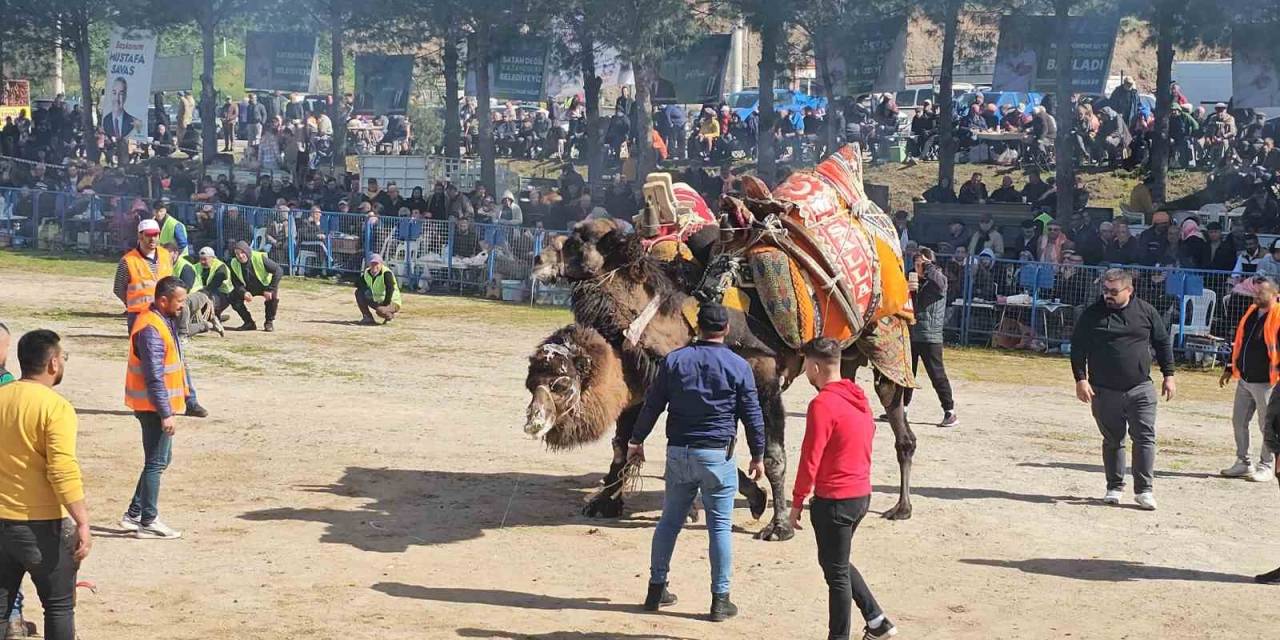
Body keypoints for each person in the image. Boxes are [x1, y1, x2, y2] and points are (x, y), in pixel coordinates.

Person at [628, 303, 765, 622]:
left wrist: (636, 440)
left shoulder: (675, 360)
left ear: (697, 328)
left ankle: (655, 588)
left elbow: (652, 406)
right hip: (718, 455)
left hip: (679, 452)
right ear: (726, 330)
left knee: (669, 523)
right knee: (719, 527)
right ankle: (720, 600)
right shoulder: (738, 365)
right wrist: (758, 455)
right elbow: (752, 415)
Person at [789, 338, 896, 640]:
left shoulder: (822, 404)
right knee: (836, 562)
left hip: (834, 500)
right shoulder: (858, 397)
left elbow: (810, 456)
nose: (805, 371)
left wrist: (796, 502)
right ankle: (877, 621)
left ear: (816, 366)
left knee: (835, 574)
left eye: (806, 365)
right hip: (861, 495)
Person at [0, 329, 92, 640]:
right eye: (63, 357)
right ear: (52, 363)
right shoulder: (55, 407)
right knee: (58, 607)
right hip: (39, 525)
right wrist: (82, 521)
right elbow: (62, 469)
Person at [1071, 269, 1176, 510]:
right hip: (1103, 389)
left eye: (1114, 291)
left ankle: (1144, 491)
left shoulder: (1146, 312)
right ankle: (1114, 487)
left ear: (1129, 290)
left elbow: (1162, 343)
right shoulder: (1092, 314)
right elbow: (1078, 348)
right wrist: (1081, 379)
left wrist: (1169, 375)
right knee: (1113, 439)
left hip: (1141, 387)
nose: (1108, 295)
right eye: (1105, 290)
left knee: (1145, 438)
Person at [122, 277, 190, 540]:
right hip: (153, 408)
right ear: (163, 300)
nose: (183, 306)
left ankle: (134, 513)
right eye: (180, 301)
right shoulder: (151, 328)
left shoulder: (160, 320)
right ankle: (148, 520)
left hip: (154, 405)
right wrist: (166, 413)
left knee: (160, 460)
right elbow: (154, 377)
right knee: (156, 462)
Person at [1218, 277, 1280, 482]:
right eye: (1255, 292)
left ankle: (1266, 465)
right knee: (1238, 421)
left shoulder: (1278, 316)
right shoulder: (1252, 312)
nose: (1255, 296)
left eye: (1261, 293)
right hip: (1245, 379)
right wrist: (1229, 367)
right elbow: (1240, 342)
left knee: (1267, 426)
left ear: (1274, 294)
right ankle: (1243, 462)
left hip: (1268, 381)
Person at [905, 247, 958, 427]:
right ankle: (901, 409)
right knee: (906, 374)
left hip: (930, 336)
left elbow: (940, 285)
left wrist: (928, 268)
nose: (917, 265)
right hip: (911, 333)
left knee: (937, 374)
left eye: (921, 262)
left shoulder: (938, 279)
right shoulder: (912, 278)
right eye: (915, 262)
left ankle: (949, 411)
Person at [114, 219, 174, 330]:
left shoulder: (166, 256)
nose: (153, 238)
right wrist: (131, 304)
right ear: (140, 236)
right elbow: (118, 288)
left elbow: (170, 282)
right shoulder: (127, 261)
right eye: (149, 235)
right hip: (139, 315)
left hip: (163, 313)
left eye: (155, 235)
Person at [228, 241, 284, 332]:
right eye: (237, 254)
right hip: (249, 287)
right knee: (232, 297)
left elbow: (278, 270)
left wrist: (270, 289)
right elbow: (236, 282)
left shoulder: (259, 258)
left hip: (265, 285)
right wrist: (244, 292)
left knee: (272, 297)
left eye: (242, 252)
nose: (240, 256)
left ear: (247, 251)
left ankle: (269, 322)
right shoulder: (233, 263)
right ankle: (249, 322)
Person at [356, 254, 402, 325]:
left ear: (381, 264)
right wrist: (366, 290)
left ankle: (390, 317)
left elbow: (390, 289)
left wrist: (385, 304)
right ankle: (368, 317)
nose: (374, 266)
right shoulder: (367, 273)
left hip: (392, 302)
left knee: (380, 311)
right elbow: (357, 283)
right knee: (358, 293)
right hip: (377, 300)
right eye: (372, 264)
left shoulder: (386, 273)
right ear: (369, 264)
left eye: (376, 264)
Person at [195, 246, 233, 322]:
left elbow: (214, 285)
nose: (202, 262)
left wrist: (201, 293)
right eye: (201, 259)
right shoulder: (196, 266)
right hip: (205, 291)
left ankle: (213, 316)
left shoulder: (221, 267)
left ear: (213, 258)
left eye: (205, 259)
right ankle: (214, 317)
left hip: (224, 294)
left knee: (209, 300)